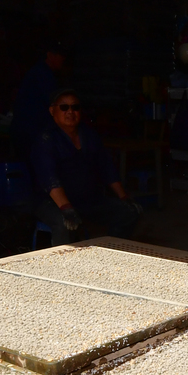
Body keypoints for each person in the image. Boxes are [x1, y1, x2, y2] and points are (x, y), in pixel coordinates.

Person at [28, 89, 141, 245]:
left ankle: (111, 252)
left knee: (129, 212)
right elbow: (49, 178)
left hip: (85, 200)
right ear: (52, 111)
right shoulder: (46, 139)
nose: (70, 112)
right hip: (51, 202)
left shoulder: (89, 135)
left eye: (75, 107)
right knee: (64, 223)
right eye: (64, 107)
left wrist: (124, 197)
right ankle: (65, 260)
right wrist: (66, 208)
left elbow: (106, 167)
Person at [12, 44, 67, 148]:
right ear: (50, 55)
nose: (63, 59)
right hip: (32, 131)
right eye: (60, 55)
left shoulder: (41, 72)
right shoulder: (42, 74)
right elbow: (51, 102)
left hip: (29, 130)